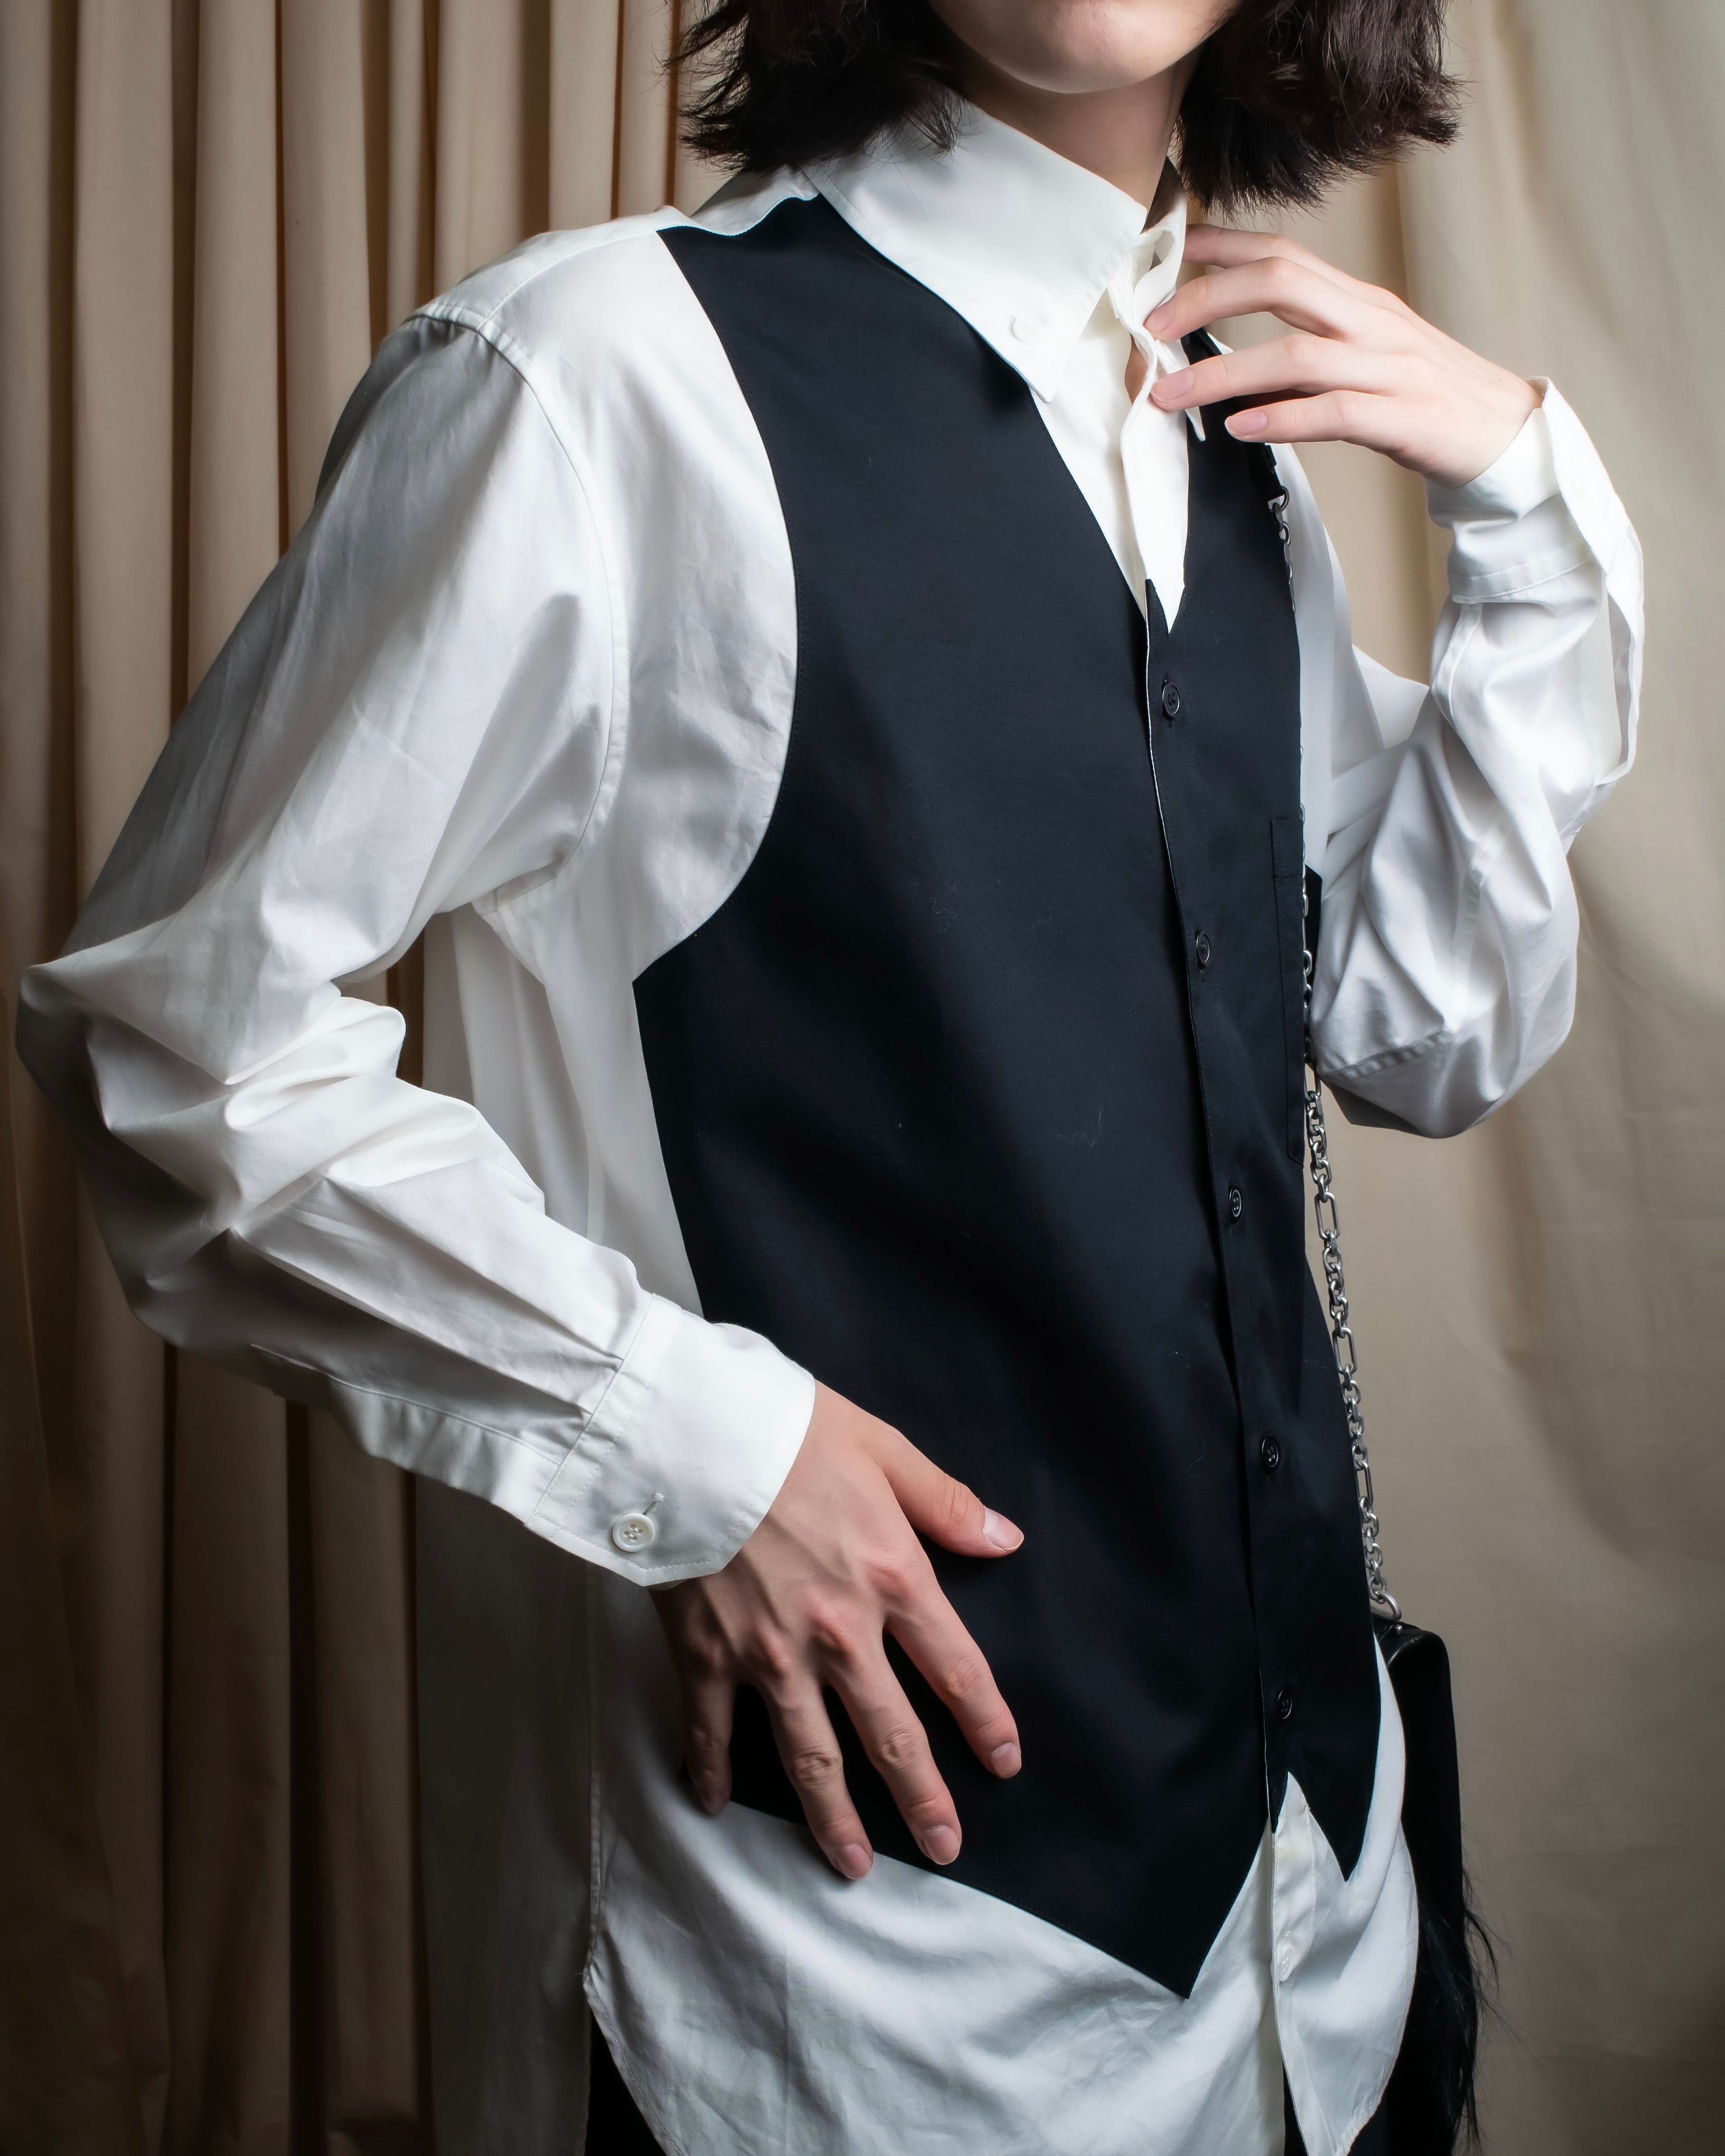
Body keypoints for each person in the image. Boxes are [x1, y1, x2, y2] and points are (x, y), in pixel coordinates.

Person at [20, 0, 1641, 2147]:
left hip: (1314, 1950)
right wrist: (690, 1440)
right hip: (849, 1996)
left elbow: (1422, 1030)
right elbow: (183, 1030)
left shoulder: (1225, 441)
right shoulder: (597, 372)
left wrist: (1535, 515)